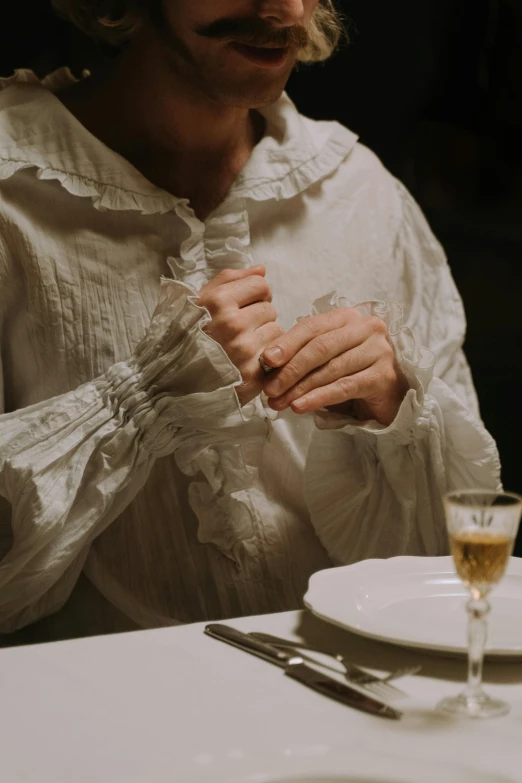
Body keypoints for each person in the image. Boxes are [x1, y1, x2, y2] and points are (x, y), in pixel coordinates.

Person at [0, 0, 500, 643]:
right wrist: (137, 400)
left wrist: (393, 408)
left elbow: (459, 554)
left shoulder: (357, 189)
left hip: (337, 706)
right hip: (94, 720)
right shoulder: (14, 189)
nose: (288, 9)